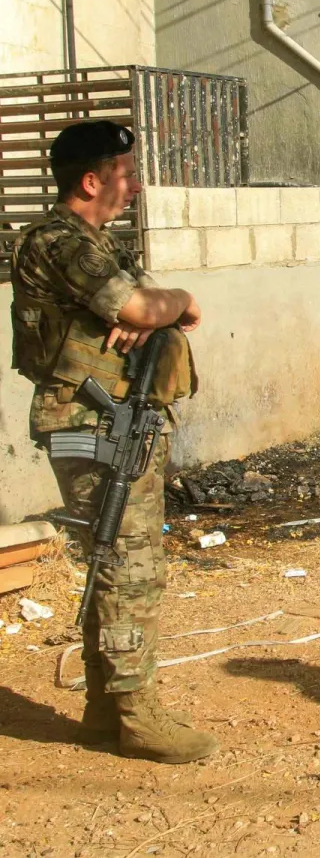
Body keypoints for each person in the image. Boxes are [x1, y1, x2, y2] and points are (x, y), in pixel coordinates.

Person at [9, 120, 217, 763]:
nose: (135, 186)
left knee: (119, 559)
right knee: (129, 565)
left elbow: (168, 311)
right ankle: (137, 713)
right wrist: (160, 305)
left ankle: (104, 709)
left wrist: (161, 307)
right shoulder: (58, 241)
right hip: (88, 422)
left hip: (118, 420)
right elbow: (142, 309)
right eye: (125, 173)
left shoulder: (100, 245)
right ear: (91, 180)